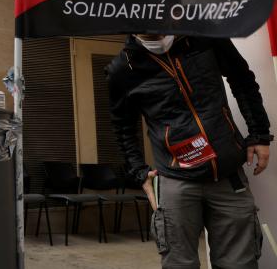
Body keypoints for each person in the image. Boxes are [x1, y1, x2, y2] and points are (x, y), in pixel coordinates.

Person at [106, 34, 273, 269]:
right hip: (175, 179)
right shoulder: (123, 68)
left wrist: (260, 133)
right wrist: (139, 173)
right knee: (179, 264)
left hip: (227, 175)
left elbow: (242, 79)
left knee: (240, 264)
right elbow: (123, 126)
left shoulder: (205, 36)